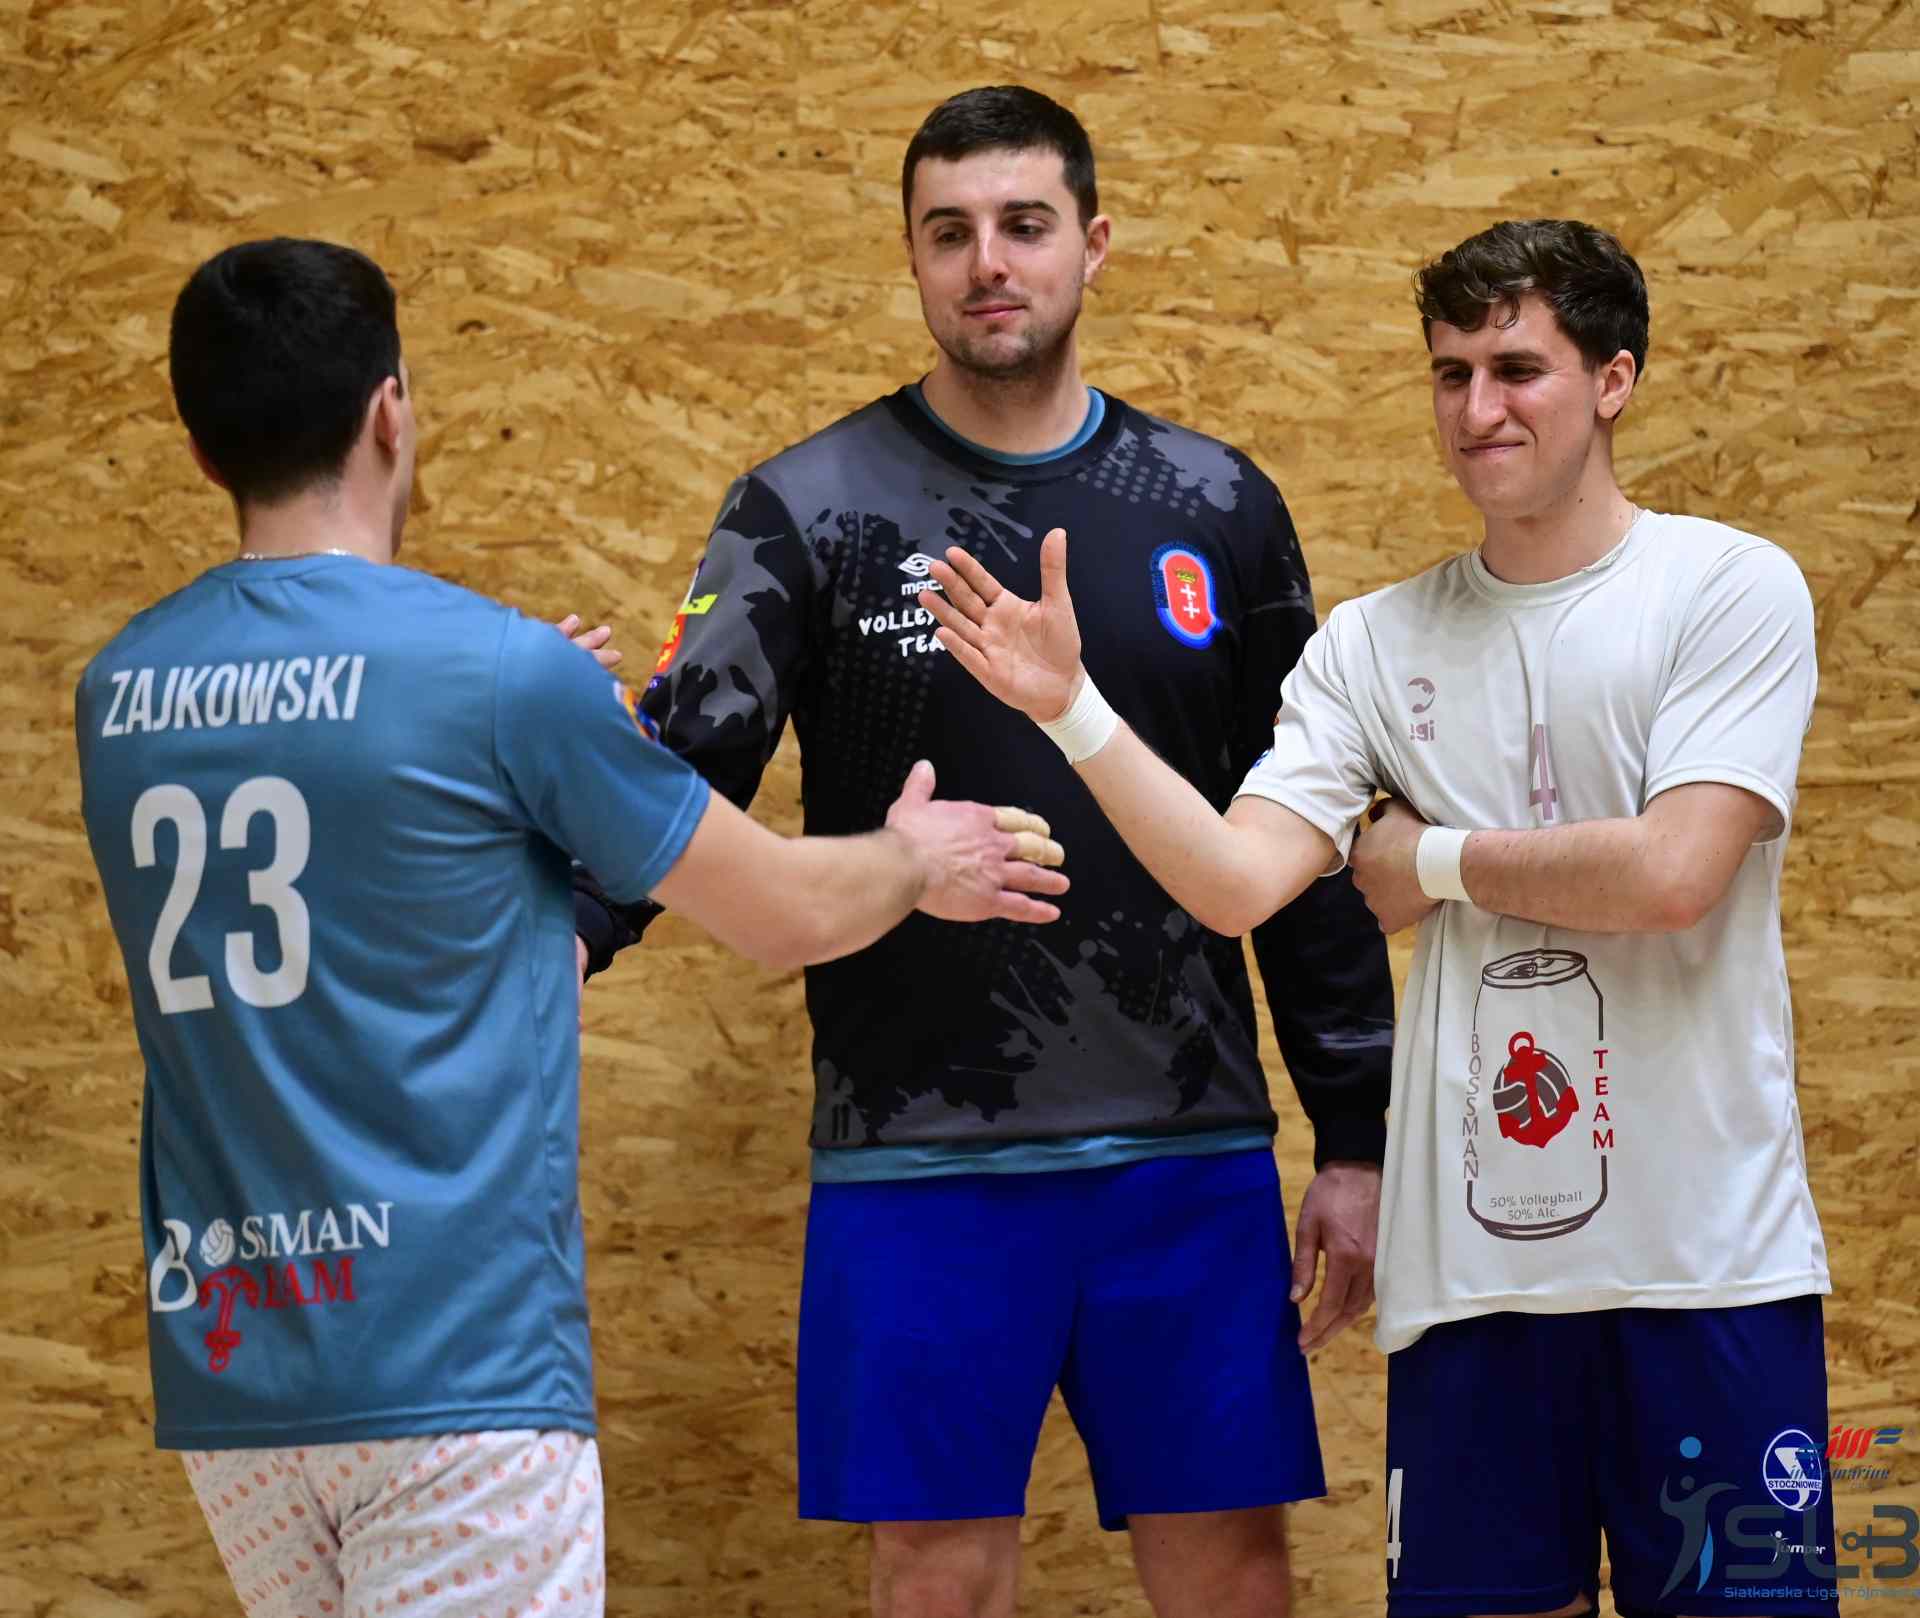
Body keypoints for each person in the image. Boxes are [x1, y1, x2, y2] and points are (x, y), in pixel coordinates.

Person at [74, 236, 1068, 1618]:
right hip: (454, 1369)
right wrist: (914, 856)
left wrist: (499, 753)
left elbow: (363, 867)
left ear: (199, 448)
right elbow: (783, 911)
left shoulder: (119, 690)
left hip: (236, 1382)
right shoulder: (491, 674)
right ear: (390, 411)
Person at [922, 217, 1836, 1618]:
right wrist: (1074, 709)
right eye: (1451, 373)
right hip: (1471, 1292)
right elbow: (1235, 880)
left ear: (1615, 380)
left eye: (1518, 369)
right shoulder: (1370, 642)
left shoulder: (1728, 587)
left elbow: (1674, 872)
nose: (1479, 409)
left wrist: (1434, 863)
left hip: (1713, 1272)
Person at [574, 86, 1394, 1618]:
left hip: (1185, 1152)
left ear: (1095, 241)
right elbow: (675, 786)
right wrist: (550, 930)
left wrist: (1357, 1136)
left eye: (1024, 224)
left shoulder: (1218, 506)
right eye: (948, 232)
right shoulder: (808, 507)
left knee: (1231, 1572)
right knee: (937, 1576)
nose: (988, 263)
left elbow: (1305, 843)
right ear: (911, 257)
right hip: (916, 1157)